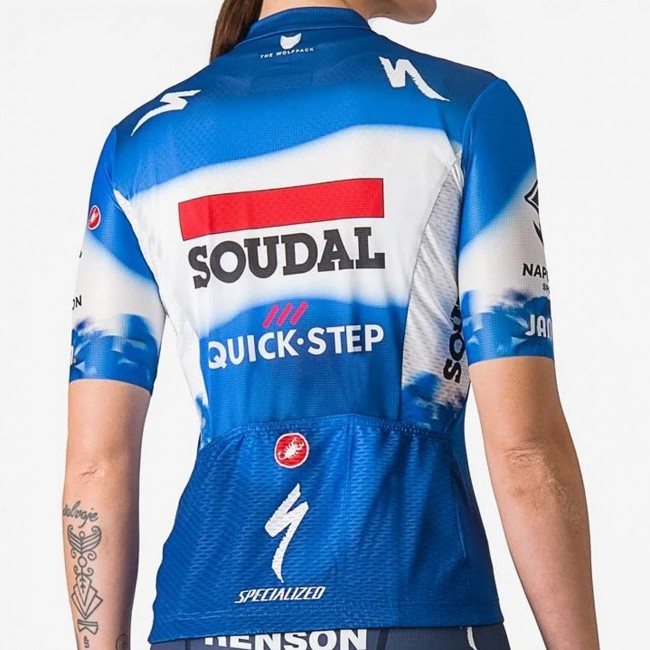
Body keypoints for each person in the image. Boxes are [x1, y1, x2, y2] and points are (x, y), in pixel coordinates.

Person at [61, 1, 600, 649]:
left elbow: (95, 466)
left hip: (205, 611)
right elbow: (524, 450)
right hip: (412, 598)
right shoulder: (464, 108)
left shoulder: (140, 144)